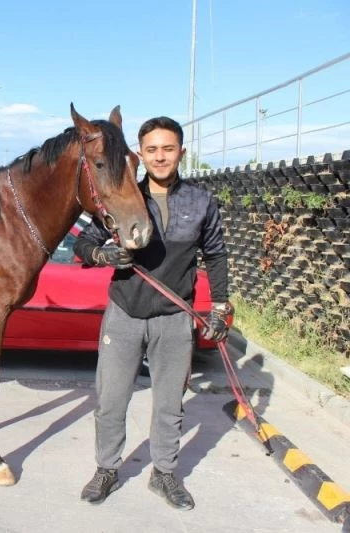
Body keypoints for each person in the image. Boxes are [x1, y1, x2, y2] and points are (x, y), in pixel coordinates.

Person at [74, 116, 232, 511]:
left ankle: (164, 474)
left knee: (169, 404)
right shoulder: (124, 195)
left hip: (174, 318)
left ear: (181, 151)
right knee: (111, 400)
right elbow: (84, 244)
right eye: (152, 150)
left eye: (168, 148)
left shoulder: (201, 201)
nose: (160, 157)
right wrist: (102, 254)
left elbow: (215, 255)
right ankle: (106, 469)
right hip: (125, 313)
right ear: (139, 155)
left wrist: (220, 306)